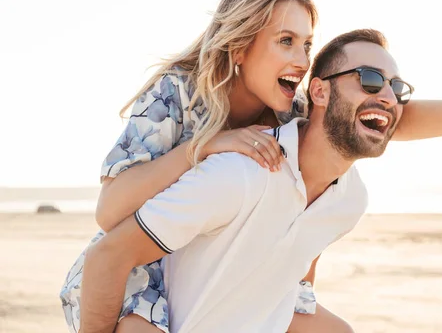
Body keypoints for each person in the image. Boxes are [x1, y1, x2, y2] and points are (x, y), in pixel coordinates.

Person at [60, 0, 442, 333]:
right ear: (241, 47)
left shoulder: (287, 107)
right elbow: (110, 215)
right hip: (134, 277)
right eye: (286, 41)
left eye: (307, 44)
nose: (302, 59)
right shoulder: (180, 93)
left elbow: (378, 118)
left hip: (212, 258)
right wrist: (205, 147)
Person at [79, 28, 409, 333]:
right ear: (319, 91)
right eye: (370, 80)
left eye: (397, 89)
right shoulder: (239, 173)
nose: (388, 98)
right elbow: (106, 257)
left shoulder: (351, 199)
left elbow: (301, 263)